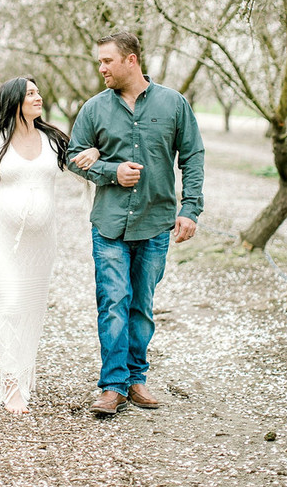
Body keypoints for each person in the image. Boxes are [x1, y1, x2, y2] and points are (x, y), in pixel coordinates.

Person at [67, 32, 204, 416]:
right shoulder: (94, 108)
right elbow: (72, 156)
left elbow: (192, 156)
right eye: (99, 62)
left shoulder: (173, 103)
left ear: (131, 60)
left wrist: (190, 209)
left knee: (141, 305)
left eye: (107, 61)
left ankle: (136, 379)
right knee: (113, 302)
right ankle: (112, 386)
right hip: (109, 224)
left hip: (156, 222)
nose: (101, 68)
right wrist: (111, 172)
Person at [0, 76, 69, 415]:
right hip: (4, 239)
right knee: (9, 307)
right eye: (31, 94)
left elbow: (83, 167)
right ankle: (11, 386)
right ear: (14, 101)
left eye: (39, 92)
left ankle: (22, 377)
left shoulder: (52, 139)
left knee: (32, 312)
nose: (39, 98)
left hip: (43, 242)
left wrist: (96, 154)